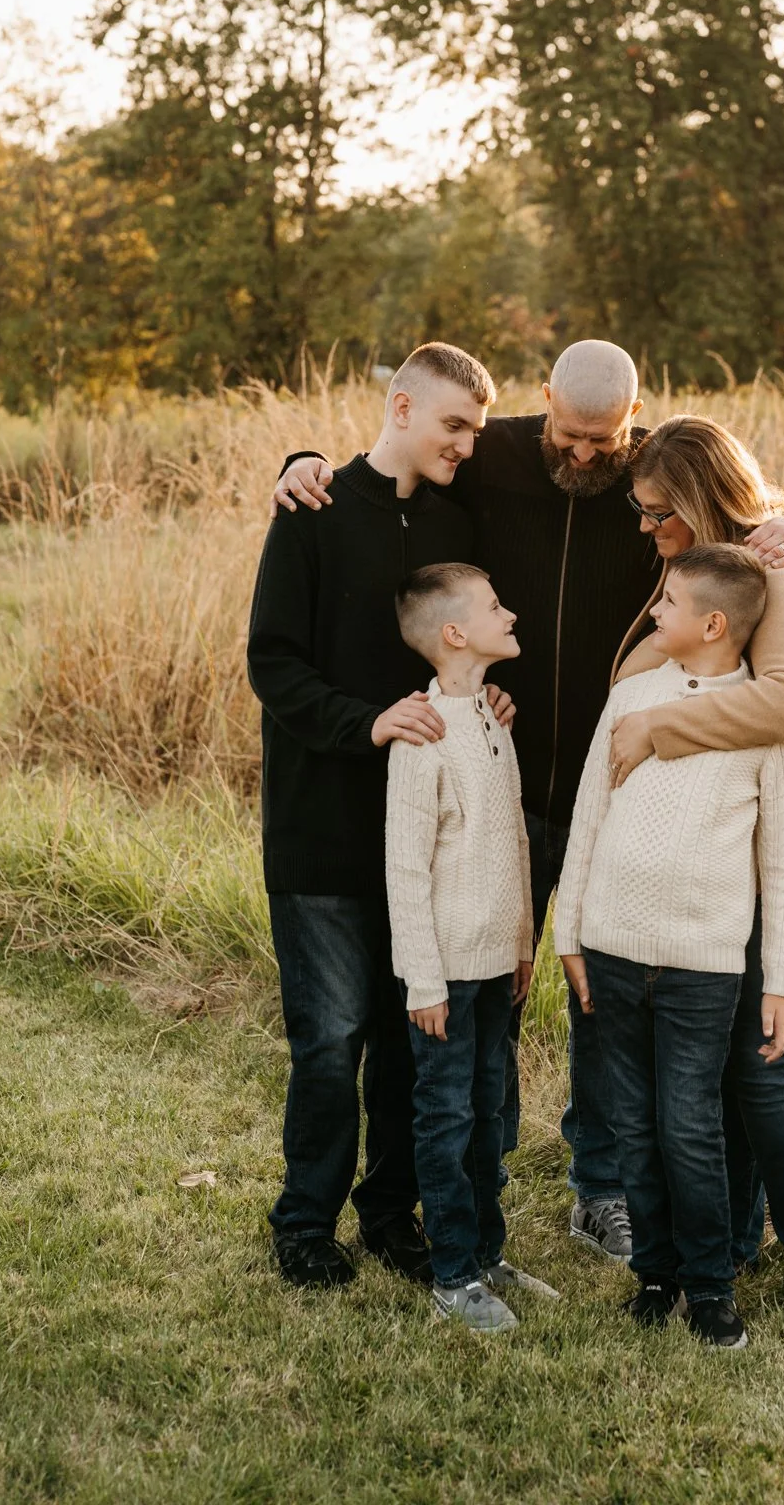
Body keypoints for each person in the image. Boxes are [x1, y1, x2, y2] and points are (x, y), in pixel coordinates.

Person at [270, 340, 784, 1263]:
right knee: (477, 996)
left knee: (600, 1006)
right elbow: (394, 454)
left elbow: (751, 545)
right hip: (498, 780)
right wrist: (301, 466)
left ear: (635, 421)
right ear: (541, 409)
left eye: (603, 443)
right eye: (569, 436)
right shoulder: (489, 450)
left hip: (616, 796)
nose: (584, 457)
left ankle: (603, 1191)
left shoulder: (654, 481)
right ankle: (455, 1203)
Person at [247, 342, 510, 1290]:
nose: (467, 445)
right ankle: (304, 1224)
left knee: (411, 1041)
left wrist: (479, 699)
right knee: (329, 1042)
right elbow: (272, 664)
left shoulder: (455, 515)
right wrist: (368, 725)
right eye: (452, 426)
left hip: (430, 840)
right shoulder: (312, 515)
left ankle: (393, 1218)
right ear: (399, 408)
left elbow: (458, 645)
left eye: (476, 430)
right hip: (322, 826)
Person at [606, 415, 784, 1333]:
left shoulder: (774, 574)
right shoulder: (694, 575)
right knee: (712, 1070)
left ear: (700, 497)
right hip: (707, 855)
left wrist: (658, 728)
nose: (646, 526)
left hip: (780, 852)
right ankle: (734, 1246)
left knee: (762, 1065)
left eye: (658, 510)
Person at [556, 545, 784, 1350]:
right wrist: (569, 933)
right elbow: (589, 814)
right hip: (613, 948)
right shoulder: (633, 694)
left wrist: (778, 982)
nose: (652, 612)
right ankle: (655, 1277)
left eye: (665, 602)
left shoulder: (763, 718)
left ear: (711, 623)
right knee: (633, 1123)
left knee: (690, 1127)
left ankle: (709, 1289)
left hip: (704, 961)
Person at [386, 562, 559, 1331]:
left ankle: (488, 1253)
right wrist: (422, 981)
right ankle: (452, 1273)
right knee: (446, 1118)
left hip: (497, 964)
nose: (511, 613)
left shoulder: (491, 718)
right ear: (455, 633)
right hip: (447, 973)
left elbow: (511, 843)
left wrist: (523, 943)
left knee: (491, 1113)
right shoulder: (421, 736)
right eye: (495, 606)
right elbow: (404, 866)